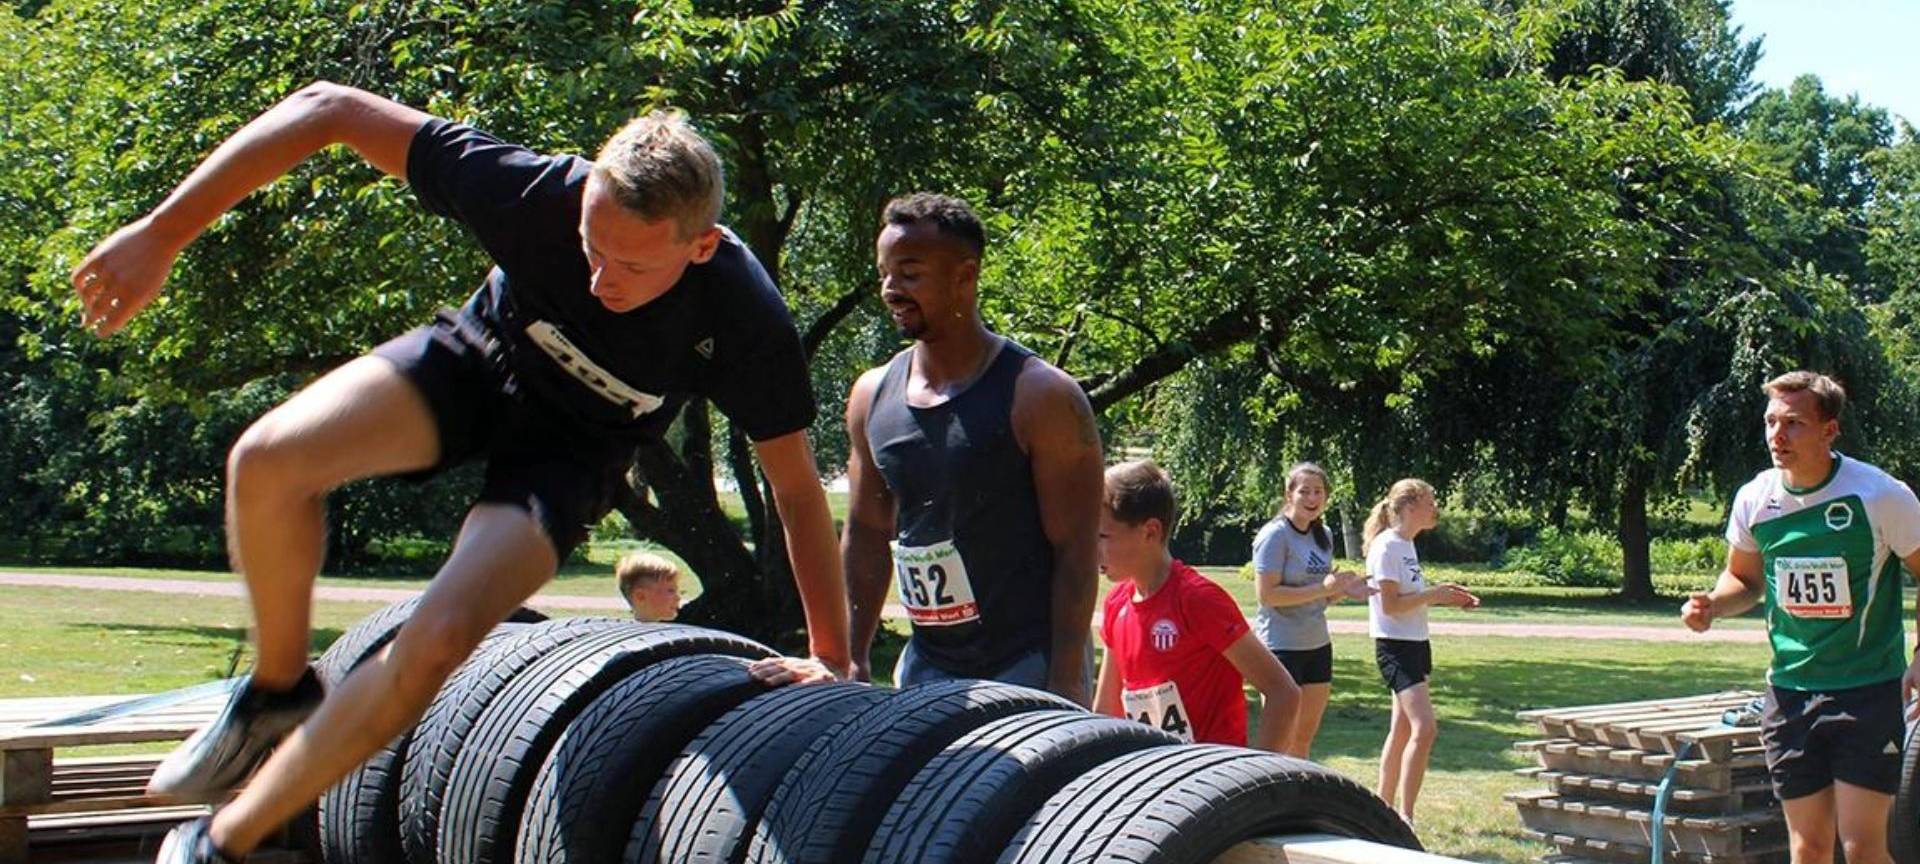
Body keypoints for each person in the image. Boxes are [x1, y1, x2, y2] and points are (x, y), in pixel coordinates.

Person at [69, 82, 852, 864]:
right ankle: (279, 690)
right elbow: (327, 108)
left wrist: (833, 656)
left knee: (440, 635)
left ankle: (218, 842)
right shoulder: (534, 189)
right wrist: (162, 232)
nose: (599, 280)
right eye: (591, 246)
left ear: (701, 245)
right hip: (476, 362)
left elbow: (794, 490)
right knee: (268, 460)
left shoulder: (746, 319)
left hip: (573, 451)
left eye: (633, 265)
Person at [841, 193, 1103, 704]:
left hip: (1027, 662)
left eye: (910, 273)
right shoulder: (871, 395)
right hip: (926, 663)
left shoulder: (1040, 396)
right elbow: (867, 531)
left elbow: (1075, 549)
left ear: (966, 275)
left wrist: (1067, 680)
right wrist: (851, 654)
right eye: (884, 273)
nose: (891, 289)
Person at [1682, 371, 1920, 864]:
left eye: (1793, 423)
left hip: (1868, 690)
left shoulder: (1879, 495)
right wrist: (1712, 606)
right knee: (1807, 849)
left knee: (1860, 848)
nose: (1777, 436)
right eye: (1771, 422)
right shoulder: (1756, 498)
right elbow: (1743, 580)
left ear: (1829, 430)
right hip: (1790, 692)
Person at [1094, 460, 1300, 749]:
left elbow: (1283, 692)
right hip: (1151, 780)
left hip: (1212, 787)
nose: (1092, 546)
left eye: (1102, 536)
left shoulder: (1197, 600)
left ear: (1150, 532)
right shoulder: (1116, 604)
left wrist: (1261, 784)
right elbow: (1106, 711)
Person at [1365, 478, 1478, 824]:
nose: (1436, 509)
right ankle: (1405, 818)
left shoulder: (1406, 545)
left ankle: (1381, 813)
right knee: (1424, 729)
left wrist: (1447, 596)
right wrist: (1434, 594)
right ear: (1410, 506)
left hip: (1415, 645)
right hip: (1395, 648)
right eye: (1431, 502)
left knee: (1401, 730)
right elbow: (1390, 606)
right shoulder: (1387, 547)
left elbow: (1410, 600)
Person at [1252, 462, 1371, 757]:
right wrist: (1325, 589)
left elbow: (1320, 595)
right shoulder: (1274, 535)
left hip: (1317, 645)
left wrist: (1343, 591)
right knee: (1279, 741)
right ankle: (1272, 802)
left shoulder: (1324, 535)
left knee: (1303, 739)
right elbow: (1267, 596)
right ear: (1288, 494)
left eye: (1318, 491)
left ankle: (1298, 801)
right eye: (1304, 490)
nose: (1312, 498)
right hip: (1280, 646)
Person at [617, 551, 683, 623]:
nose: (678, 598)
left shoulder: (671, 631)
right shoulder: (630, 633)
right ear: (640, 596)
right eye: (671, 591)